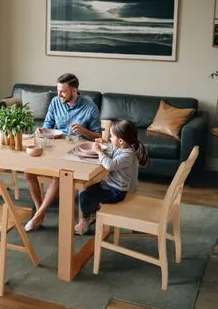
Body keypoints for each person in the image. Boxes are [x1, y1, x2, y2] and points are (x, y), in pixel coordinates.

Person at [24, 73, 101, 232]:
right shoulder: (55, 102)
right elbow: (48, 125)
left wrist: (83, 130)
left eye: (63, 91)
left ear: (74, 90)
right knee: (28, 172)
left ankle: (38, 215)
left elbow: (98, 136)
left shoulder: (90, 107)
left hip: (76, 153)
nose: (59, 94)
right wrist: (42, 130)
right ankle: (40, 212)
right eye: (58, 90)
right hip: (55, 148)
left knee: (58, 177)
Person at [74, 119, 148, 235]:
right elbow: (112, 148)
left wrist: (99, 152)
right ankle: (92, 213)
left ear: (121, 141)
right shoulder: (122, 147)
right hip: (110, 185)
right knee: (87, 190)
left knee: (84, 196)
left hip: (118, 191)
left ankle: (85, 220)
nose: (110, 138)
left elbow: (110, 165)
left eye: (112, 136)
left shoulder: (127, 155)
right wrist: (104, 143)